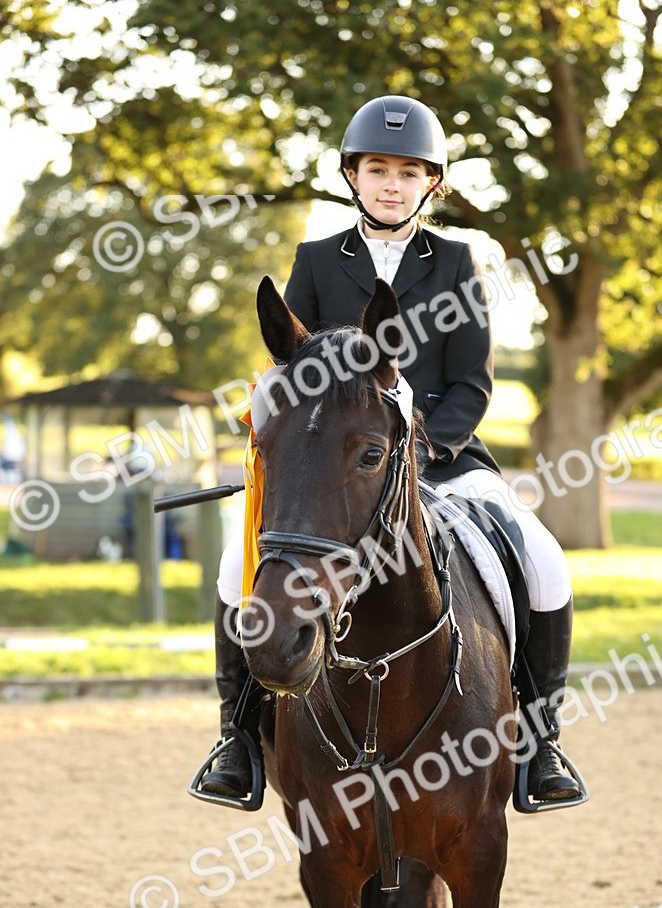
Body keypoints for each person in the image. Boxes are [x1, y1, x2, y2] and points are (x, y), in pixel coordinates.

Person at [200, 94, 580, 806]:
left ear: (430, 183)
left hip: (445, 459)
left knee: (543, 557)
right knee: (235, 564)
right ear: (353, 175)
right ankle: (238, 738)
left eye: (408, 172)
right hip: (336, 467)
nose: (391, 184)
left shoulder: (459, 262)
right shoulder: (315, 261)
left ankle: (542, 739)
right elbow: (295, 368)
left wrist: (424, 444)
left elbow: (471, 382)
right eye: (378, 169)